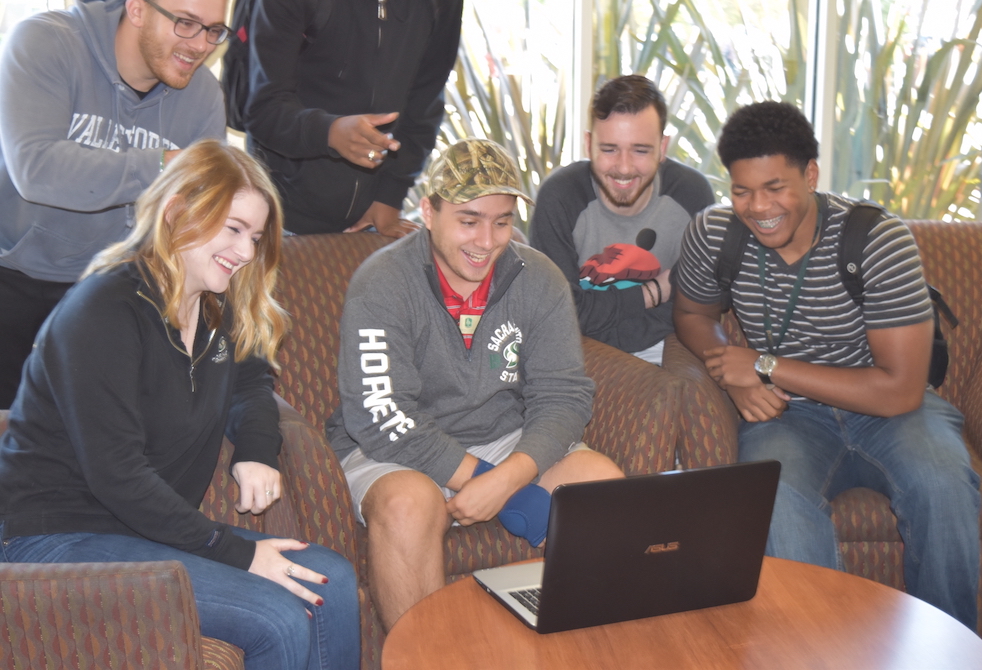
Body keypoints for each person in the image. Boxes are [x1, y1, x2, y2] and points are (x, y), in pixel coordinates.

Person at [0, 140, 361, 669]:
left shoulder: (215, 303)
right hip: (57, 538)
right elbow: (117, 474)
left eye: (256, 238)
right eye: (232, 229)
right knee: (279, 615)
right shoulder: (103, 309)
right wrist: (237, 552)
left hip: (141, 531)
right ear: (176, 213)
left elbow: (251, 382)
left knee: (336, 581)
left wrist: (256, 450)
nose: (244, 252)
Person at [672, 101, 980, 629]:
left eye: (775, 187)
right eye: (741, 190)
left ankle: (952, 653)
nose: (757, 206)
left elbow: (900, 391)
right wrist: (728, 370)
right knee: (773, 499)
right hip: (790, 417)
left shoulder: (877, 240)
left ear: (811, 175)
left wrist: (764, 366)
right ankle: (820, 653)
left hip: (891, 412)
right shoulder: (717, 234)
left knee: (944, 486)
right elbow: (693, 313)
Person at [325, 138, 625, 629]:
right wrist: (479, 478)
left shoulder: (538, 276)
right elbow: (381, 415)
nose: (487, 241)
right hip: (390, 446)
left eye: (502, 221)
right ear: (428, 210)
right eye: (469, 220)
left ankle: (568, 652)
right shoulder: (382, 282)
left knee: (599, 488)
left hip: (501, 436)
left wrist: (507, 479)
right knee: (408, 505)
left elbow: (563, 397)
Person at [0, 0, 229, 408]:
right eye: (186, 24)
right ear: (137, 9)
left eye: (213, 30)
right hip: (14, 277)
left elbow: (197, 210)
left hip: (112, 291)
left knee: (92, 443)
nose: (200, 45)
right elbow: (36, 169)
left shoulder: (203, 96)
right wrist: (164, 165)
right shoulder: (46, 42)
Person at [530, 75, 715, 364]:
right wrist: (654, 292)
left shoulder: (692, 194)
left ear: (663, 148)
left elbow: (698, 301)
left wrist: (597, 315)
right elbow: (558, 313)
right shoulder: (559, 197)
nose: (624, 168)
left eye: (640, 150)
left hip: (666, 341)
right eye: (609, 149)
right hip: (578, 349)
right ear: (589, 144)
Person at [240, 0, 463, 237]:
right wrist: (330, 133)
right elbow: (263, 108)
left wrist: (389, 196)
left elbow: (425, 102)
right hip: (276, 213)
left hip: (371, 218)